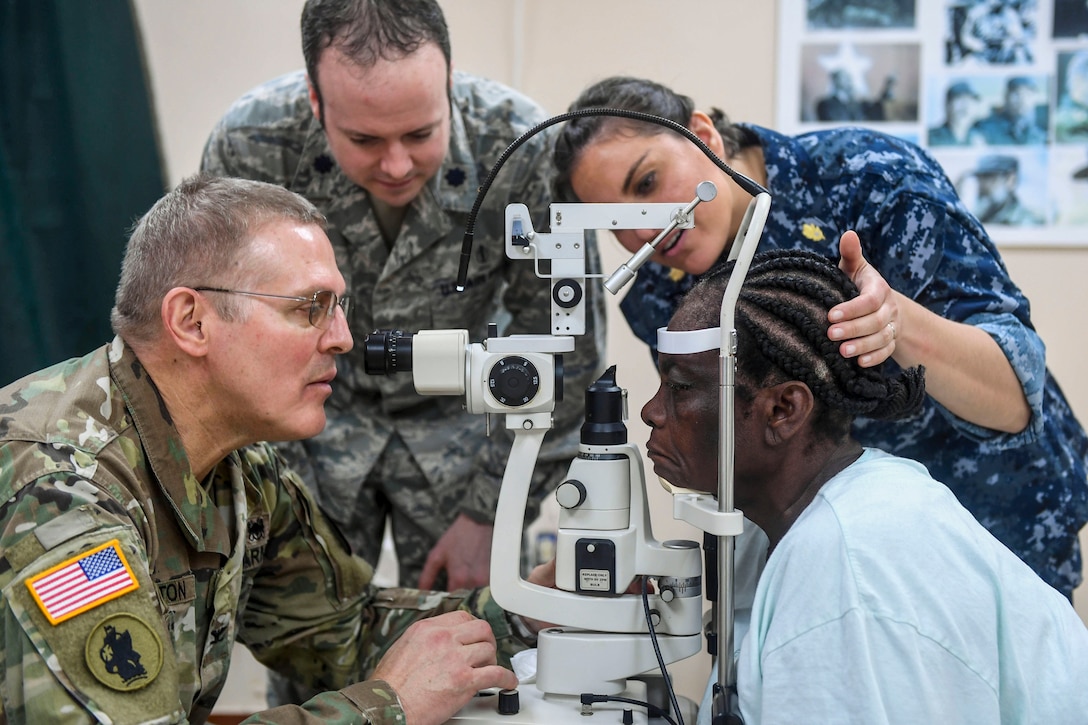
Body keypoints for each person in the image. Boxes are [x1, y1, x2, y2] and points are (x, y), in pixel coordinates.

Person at [0, 175, 534, 725]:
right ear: (191, 321)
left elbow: (341, 631)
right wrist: (386, 709)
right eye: (310, 306)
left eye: (338, 305)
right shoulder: (62, 490)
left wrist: (535, 609)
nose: (343, 338)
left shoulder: (239, 465)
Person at [552, 75, 1088, 598]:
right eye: (616, 220)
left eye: (647, 185)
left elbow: (1016, 399)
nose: (644, 232)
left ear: (703, 134)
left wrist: (896, 322)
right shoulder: (659, 291)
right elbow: (732, 453)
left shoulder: (871, 180)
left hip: (994, 533)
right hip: (843, 566)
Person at [202, 0, 603, 592]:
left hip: (467, 437)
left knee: (467, 653)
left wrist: (492, 512)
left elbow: (567, 351)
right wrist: (284, 506)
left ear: (448, 88)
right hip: (307, 434)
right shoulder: (253, 147)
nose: (395, 164)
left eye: (420, 133)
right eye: (364, 139)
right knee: (311, 660)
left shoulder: (521, 147)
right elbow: (228, 337)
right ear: (317, 103)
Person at [646, 248, 1088, 724]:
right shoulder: (777, 529)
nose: (651, 411)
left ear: (783, 410)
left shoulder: (850, 561)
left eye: (681, 388)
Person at [968, 153, 1045, 225]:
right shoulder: (976, 218)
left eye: (989, 178)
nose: (982, 186)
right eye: (979, 179)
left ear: (1010, 180)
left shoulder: (1027, 222)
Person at [974, 75, 1047, 144]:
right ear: (1006, 96)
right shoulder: (985, 129)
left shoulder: (1042, 135)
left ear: (1035, 98)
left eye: (1028, 94)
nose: (1022, 100)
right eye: (1017, 94)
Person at [927, 80, 986, 146]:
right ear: (948, 105)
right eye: (959, 99)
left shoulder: (978, 139)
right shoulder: (931, 138)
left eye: (969, 100)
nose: (965, 105)